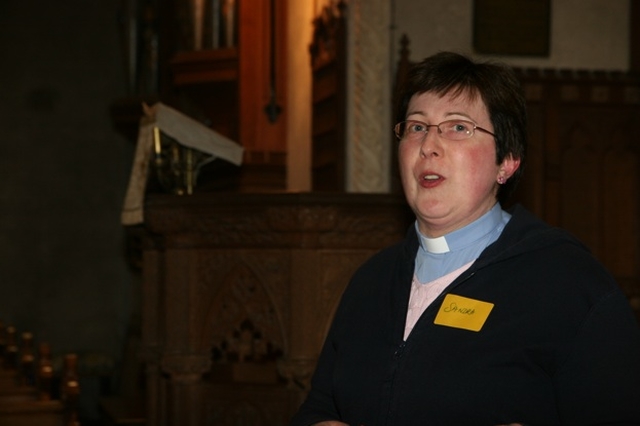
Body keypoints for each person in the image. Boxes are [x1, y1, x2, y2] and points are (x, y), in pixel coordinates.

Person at [290, 51, 640, 426]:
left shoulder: (572, 286)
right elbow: (321, 406)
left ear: (506, 161)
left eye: (458, 127)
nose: (428, 145)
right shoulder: (371, 280)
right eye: (416, 127)